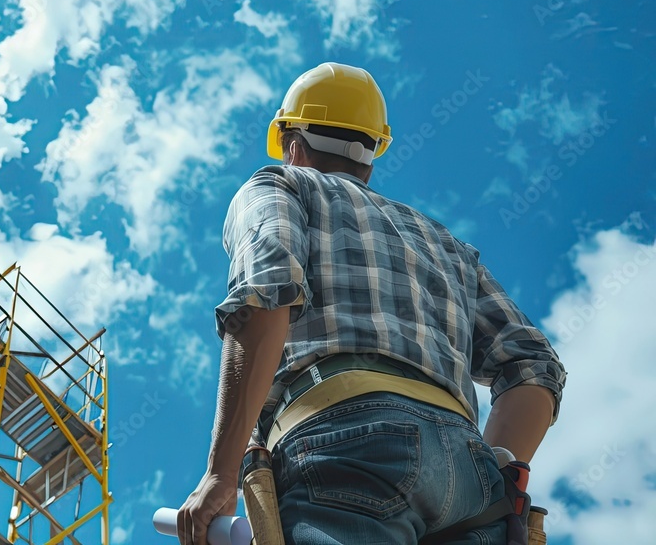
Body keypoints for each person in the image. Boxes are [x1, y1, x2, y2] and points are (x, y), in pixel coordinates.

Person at [177, 62, 566, 545]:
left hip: (345, 437)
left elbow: (267, 290)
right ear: (370, 157)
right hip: (472, 474)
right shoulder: (444, 242)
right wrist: (495, 469)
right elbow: (533, 363)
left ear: (293, 146)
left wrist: (221, 472)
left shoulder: (280, 184)